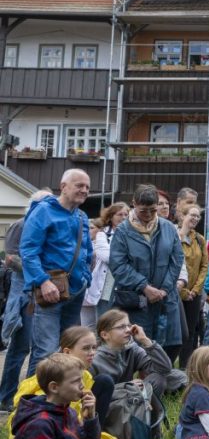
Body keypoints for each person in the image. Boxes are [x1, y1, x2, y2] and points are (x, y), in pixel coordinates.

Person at [9, 326, 131, 439]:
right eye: (86, 348)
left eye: (94, 347)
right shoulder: (41, 417)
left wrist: (90, 419)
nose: (92, 353)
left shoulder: (71, 405)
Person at [20, 169, 93, 376]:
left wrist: (86, 278)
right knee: (46, 351)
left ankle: (58, 404)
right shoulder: (43, 211)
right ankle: (30, 403)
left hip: (75, 292)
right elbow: (28, 251)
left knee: (67, 351)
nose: (85, 190)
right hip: (49, 292)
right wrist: (43, 281)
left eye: (87, 187)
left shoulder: (82, 216)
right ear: (63, 187)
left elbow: (87, 250)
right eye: (79, 185)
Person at [8, 353, 118, 439]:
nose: (82, 386)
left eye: (81, 380)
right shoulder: (39, 424)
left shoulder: (68, 412)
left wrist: (90, 419)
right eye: (76, 381)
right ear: (54, 387)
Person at [108, 184, 184, 352]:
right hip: (136, 302)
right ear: (134, 204)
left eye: (153, 210)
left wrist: (164, 288)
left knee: (167, 349)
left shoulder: (168, 228)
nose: (148, 215)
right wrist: (144, 286)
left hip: (165, 300)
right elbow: (118, 265)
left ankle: (159, 378)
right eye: (143, 211)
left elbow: (177, 259)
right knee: (136, 351)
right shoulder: (122, 231)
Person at [1, 190, 53, 410]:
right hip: (24, 295)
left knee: (39, 349)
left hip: (42, 294)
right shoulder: (22, 225)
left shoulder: (48, 227)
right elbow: (10, 259)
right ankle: (7, 397)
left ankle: (28, 397)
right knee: (20, 348)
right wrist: (40, 273)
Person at [92, 309, 173, 400]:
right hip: (109, 404)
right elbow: (93, 394)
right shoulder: (94, 359)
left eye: (129, 325)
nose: (128, 330)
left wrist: (145, 340)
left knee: (159, 378)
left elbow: (164, 369)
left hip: (131, 397)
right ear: (105, 335)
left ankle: (147, 411)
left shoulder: (132, 349)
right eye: (121, 327)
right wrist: (126, 387)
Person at [178, 203, 209, 368]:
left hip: (193, 295)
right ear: (183, 216)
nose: (195, 219)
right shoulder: (173, 236)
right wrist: (182, 291)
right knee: (175, 332)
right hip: (176, 292)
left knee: (190, 333)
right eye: (192, 215)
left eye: (198, 216)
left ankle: (186, 367)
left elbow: (205, 266)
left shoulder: (199, 239)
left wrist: (195, 290)